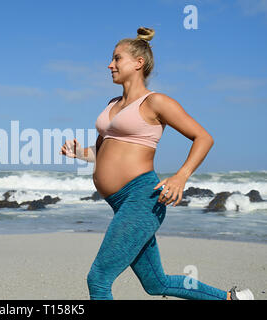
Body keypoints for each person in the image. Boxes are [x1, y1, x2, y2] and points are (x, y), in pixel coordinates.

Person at [59, 27, 254, 300]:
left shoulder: (156, 102)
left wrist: (180, 177)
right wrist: (81, 153)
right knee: (156, 283)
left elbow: (203, 138)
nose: (109, 64)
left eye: (117, 59)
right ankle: (232, 299)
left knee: (99, 278)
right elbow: (105, 151)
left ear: (138, 63)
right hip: (121, 203)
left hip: (142, 198)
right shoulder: (111, 104)